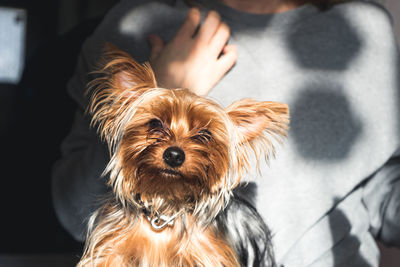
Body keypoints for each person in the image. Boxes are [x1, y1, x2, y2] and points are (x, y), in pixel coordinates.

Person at [52, 0, 400, 266]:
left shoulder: (366, 30)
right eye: (157, 127)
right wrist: (160, 93)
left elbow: (383, 193)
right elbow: (74, 212)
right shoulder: (135, 22)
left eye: (203, 137)